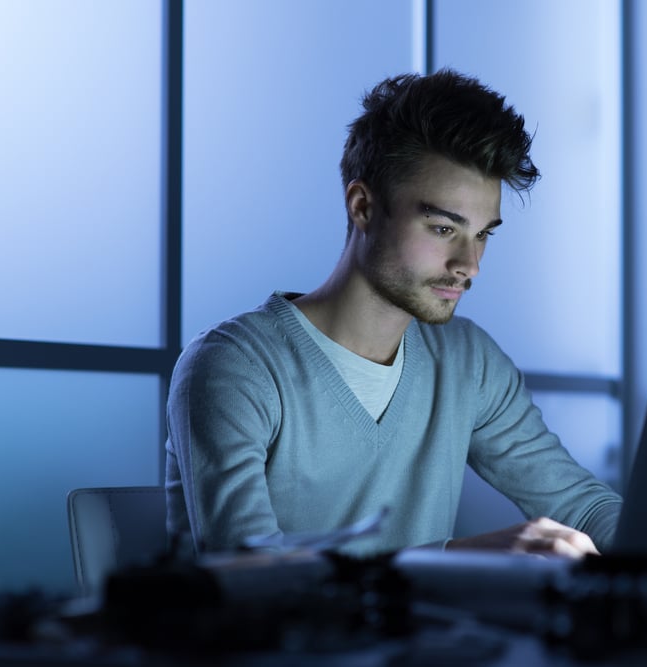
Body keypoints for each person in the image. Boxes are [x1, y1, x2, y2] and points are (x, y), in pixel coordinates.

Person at [165, 68, 622, 559]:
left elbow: (583, 507)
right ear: (362, 206)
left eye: (484, 233)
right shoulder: (235, 367)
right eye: (444, 229)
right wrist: (452, 559)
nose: (469, 265)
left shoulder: (468, 362)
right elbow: (250, 570)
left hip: (427, 638)